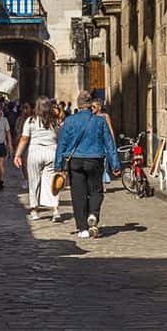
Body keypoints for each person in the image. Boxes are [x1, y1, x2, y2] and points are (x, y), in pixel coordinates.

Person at [54, 92, 120, 238]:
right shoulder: (100, 121)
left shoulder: (70, 121)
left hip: (75, 161)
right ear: (91, 105)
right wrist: (115, 165)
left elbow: (62, 144)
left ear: (78, 105)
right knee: (96, 190)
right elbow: (109, 144)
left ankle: (83, 228)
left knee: (78, 194)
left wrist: (58, 165)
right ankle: (93, 214)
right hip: (95, 159)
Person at [14, 97, 61, 222]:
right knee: (51, 182)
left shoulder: (30, 121)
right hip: (51, 152)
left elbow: (24, 139)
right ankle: (55, 209)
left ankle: (34, 210)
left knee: (34, 181)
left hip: (35, 153)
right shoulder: (54, 121)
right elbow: (59, 137)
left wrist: (17, 154)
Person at [91, 100, 116, 184]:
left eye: (94, 107)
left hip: (104, 141)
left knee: (104, 161)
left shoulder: (105, 116)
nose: (92, 108)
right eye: (91, 107)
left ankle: (104, 180)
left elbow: (110, 128)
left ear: (99, 107)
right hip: (96, 142)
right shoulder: (91, 117)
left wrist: (113, 140)